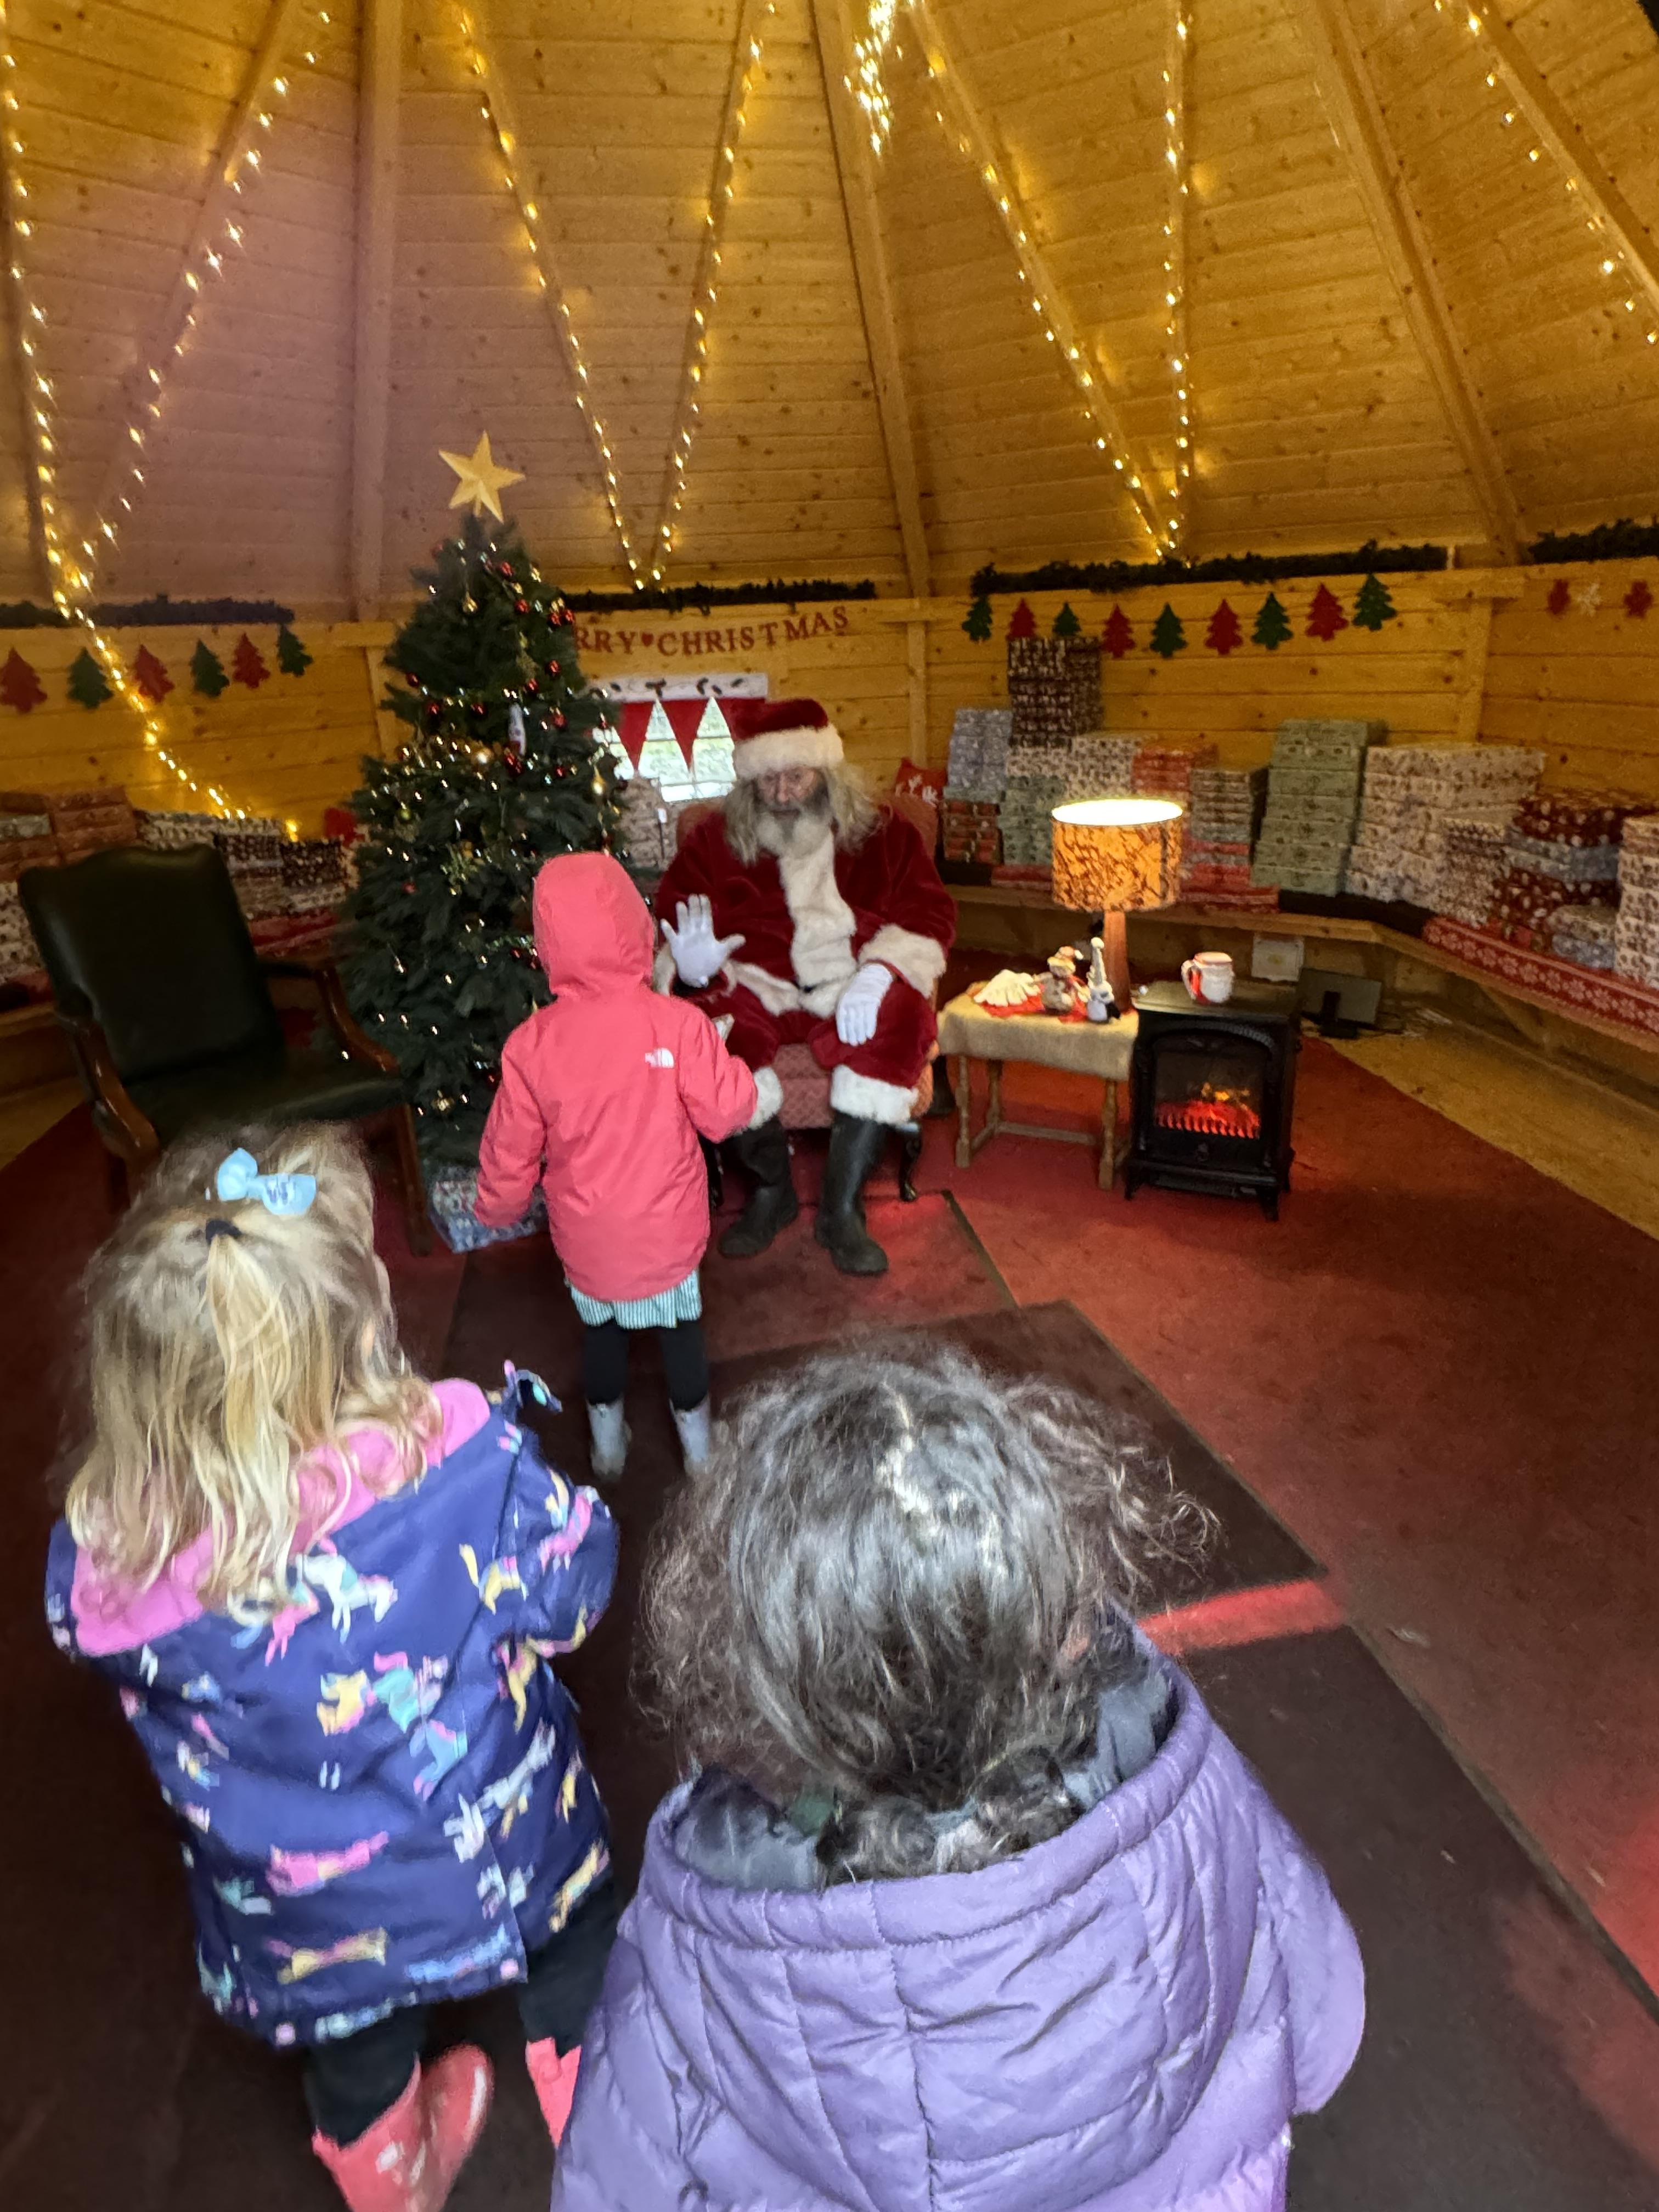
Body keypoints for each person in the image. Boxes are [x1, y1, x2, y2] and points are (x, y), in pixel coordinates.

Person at [551, 1346, 1366, 2212]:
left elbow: (610, 2186)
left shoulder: (689, 1967)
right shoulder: (1198, 1799)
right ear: (1058, 1621)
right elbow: (1326, 2030)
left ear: (763, 1678)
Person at [44, 1124, 620, 2212]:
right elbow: (575, 1591)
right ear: (360, 1328)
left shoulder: (109, 1561)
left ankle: (393, 2182)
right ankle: (605, 2138)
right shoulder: (462, 1459)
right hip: (504, 1843)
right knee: (578, 1954)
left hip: (302, 1912)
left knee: (352, 2037)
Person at [476, 851, 778, 1480]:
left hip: (589, 1240)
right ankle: (700, 1454)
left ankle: (607, 1448)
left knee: (603, 1339)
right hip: (667, 1233)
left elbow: (509, 1150)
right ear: (636, 928)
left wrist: (496, 1208)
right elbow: (727, 1112)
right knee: (683, 1335)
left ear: (549, 944)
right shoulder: (677, 1024)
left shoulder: (531, 1045)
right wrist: (733, 1068)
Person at [656, 697, 955, 1277]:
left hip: (850, 976)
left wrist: (880, 972)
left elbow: (929, 912)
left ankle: (842, 1211)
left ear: (826, 770)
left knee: (904, 1019)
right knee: (707, 1034)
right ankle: (773, 1191)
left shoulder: (883, 831)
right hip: (754, 980)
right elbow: (677, 913)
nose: (783, 793)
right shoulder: (715, 839)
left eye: (796, 776)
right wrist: (691, 968)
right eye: (768, 780)